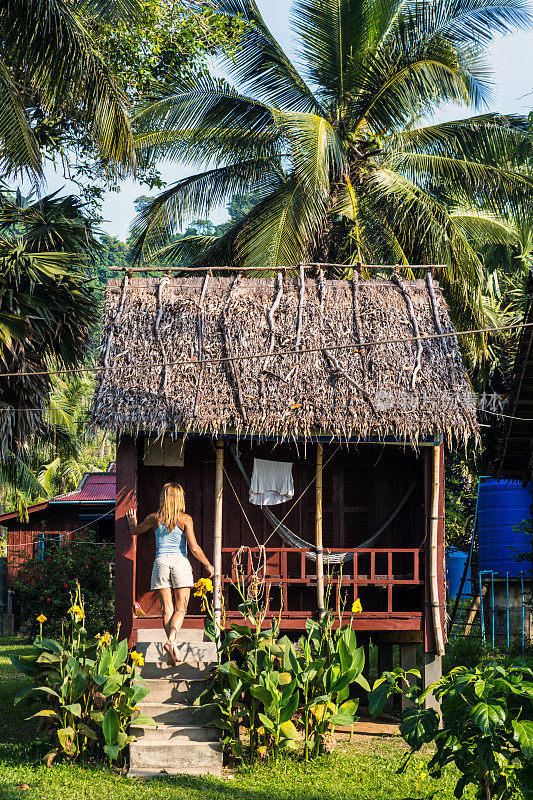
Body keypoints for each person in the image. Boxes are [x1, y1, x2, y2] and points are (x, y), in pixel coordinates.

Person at [126, 482, 214, 666]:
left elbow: (135, 531)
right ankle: (172, 641)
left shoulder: (153, 518)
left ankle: (171, 650)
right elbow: (194, 548)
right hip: (179, 562)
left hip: (161, 562)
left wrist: (131, 523)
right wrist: (207, 564)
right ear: (180, 498)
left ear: (163, 498)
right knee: (181, 608)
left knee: (167, 609)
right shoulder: (185, 519)